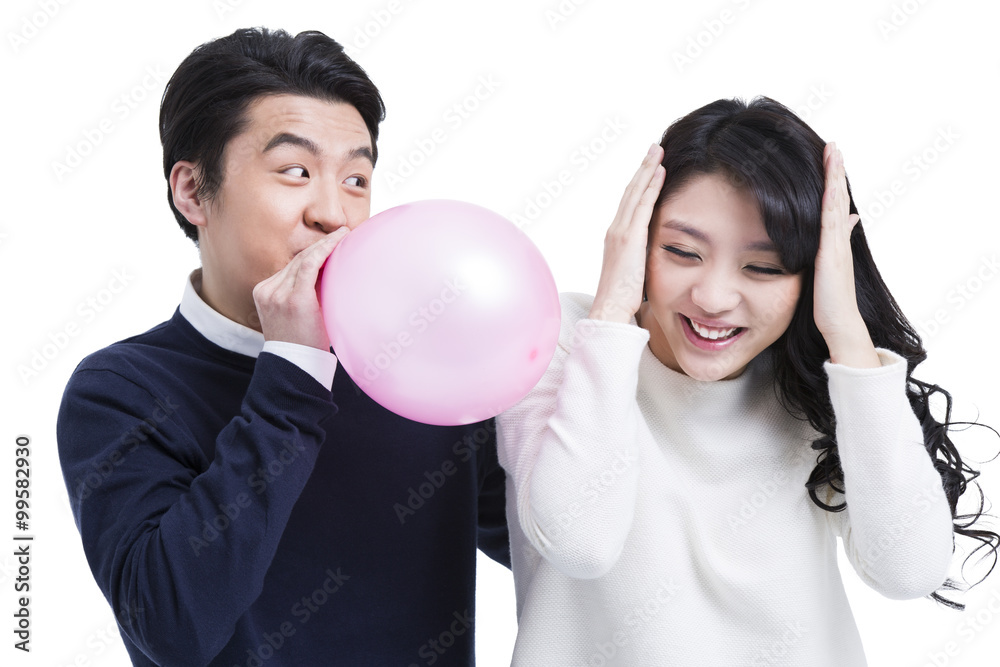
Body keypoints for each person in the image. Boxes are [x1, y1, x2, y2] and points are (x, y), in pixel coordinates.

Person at [57, 27, 509, 666]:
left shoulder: (421, 368)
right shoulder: (121, 390)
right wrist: (295, 371)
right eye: (296, 171)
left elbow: (564, 552)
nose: (335, 214)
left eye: (356, 179)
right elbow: (172, 632)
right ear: (192, 191)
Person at [496, 97, 998, 665]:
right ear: (634, 240)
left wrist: (847, 337)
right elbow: (580, 542)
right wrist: (611, 314)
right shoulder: (558, 338)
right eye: (681, 251)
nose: (712, 298)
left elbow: (908, 569)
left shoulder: (816, 378)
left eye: (763, 267)